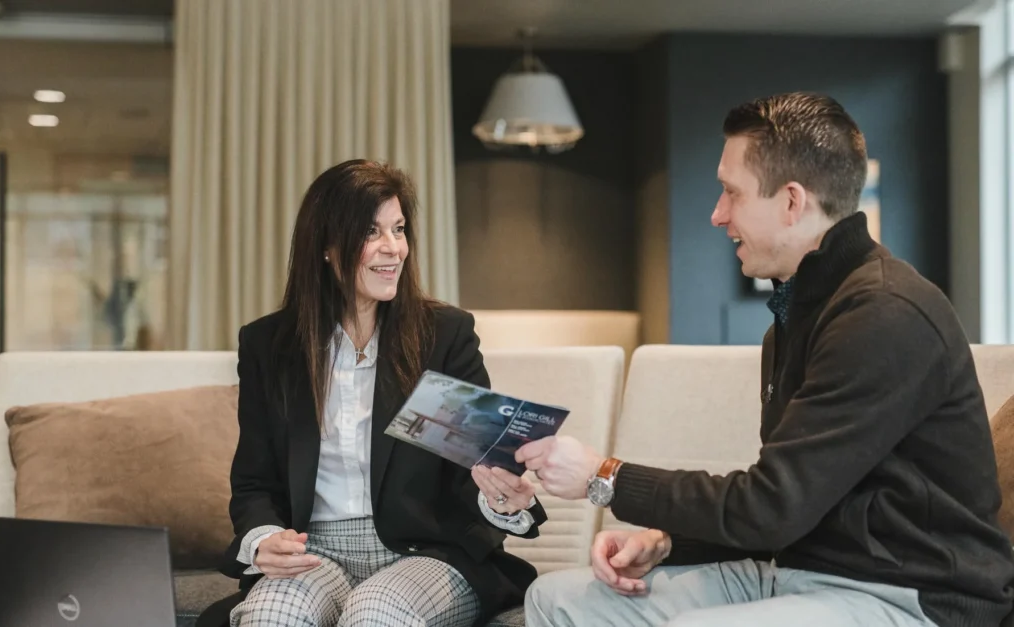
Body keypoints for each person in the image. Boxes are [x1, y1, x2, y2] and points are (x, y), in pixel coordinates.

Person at [515, 92, 1014, 627]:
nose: (717, 214)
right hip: (798, 572)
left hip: (910, 595)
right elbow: (791, 503)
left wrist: (604, 475)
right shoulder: (795, 317)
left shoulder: (884, 315)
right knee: (555, 598)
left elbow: (773, 507)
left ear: (792, 202)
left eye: (732, 193)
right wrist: (670, 542)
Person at [206, 159, 547, 627]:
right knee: (270, 615)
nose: (394, 248)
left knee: (376, 611)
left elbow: (471, 468)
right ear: (327, 246)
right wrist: (263, 539)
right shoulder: (269, 345)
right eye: (372, 231)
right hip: (314, 550)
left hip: (427, 551)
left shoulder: (444, 336)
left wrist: (501, 498)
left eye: (399, 229)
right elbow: (254, 480)